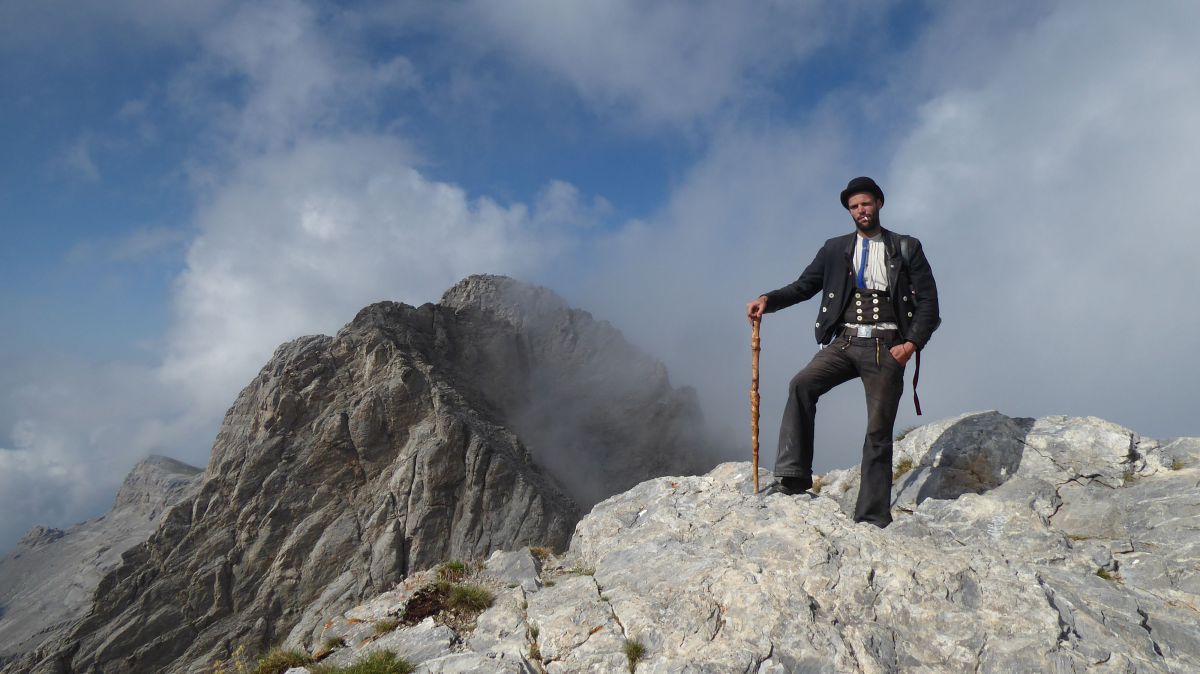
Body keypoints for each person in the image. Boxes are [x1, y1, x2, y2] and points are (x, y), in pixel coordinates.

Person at [745, 176, 940, 527]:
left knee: (878, 432)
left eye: (865, 204)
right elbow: (804, 286)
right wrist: (767, 300)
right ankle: (792, 478)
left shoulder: (907, 247)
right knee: (802, 384)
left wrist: (910, 345)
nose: (860, 211)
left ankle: (872, 516)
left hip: (887, 347)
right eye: (854, 206)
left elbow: (929, 303)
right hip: (845, 342)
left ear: (879, 203)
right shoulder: (835, 249)